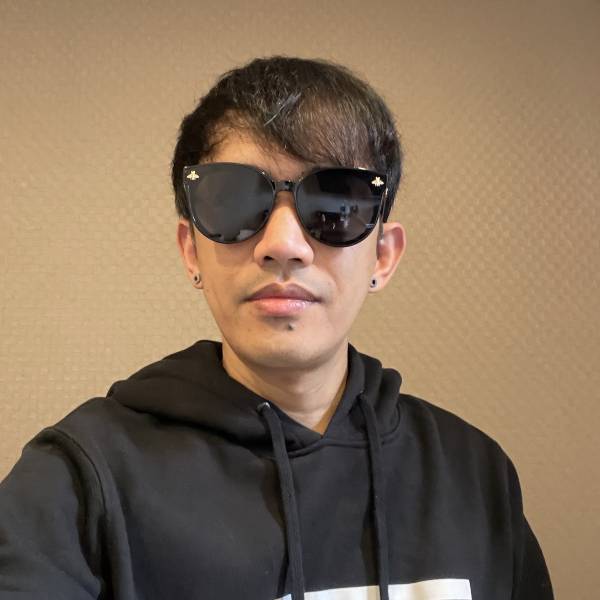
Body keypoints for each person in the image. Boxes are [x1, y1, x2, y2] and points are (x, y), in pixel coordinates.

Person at [0, 56, 553, 600]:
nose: (283, 245)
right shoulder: (78, 481)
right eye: (236, 202)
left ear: (383, 255)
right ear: (191, 249)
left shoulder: (475, 477)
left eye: (334, 206)